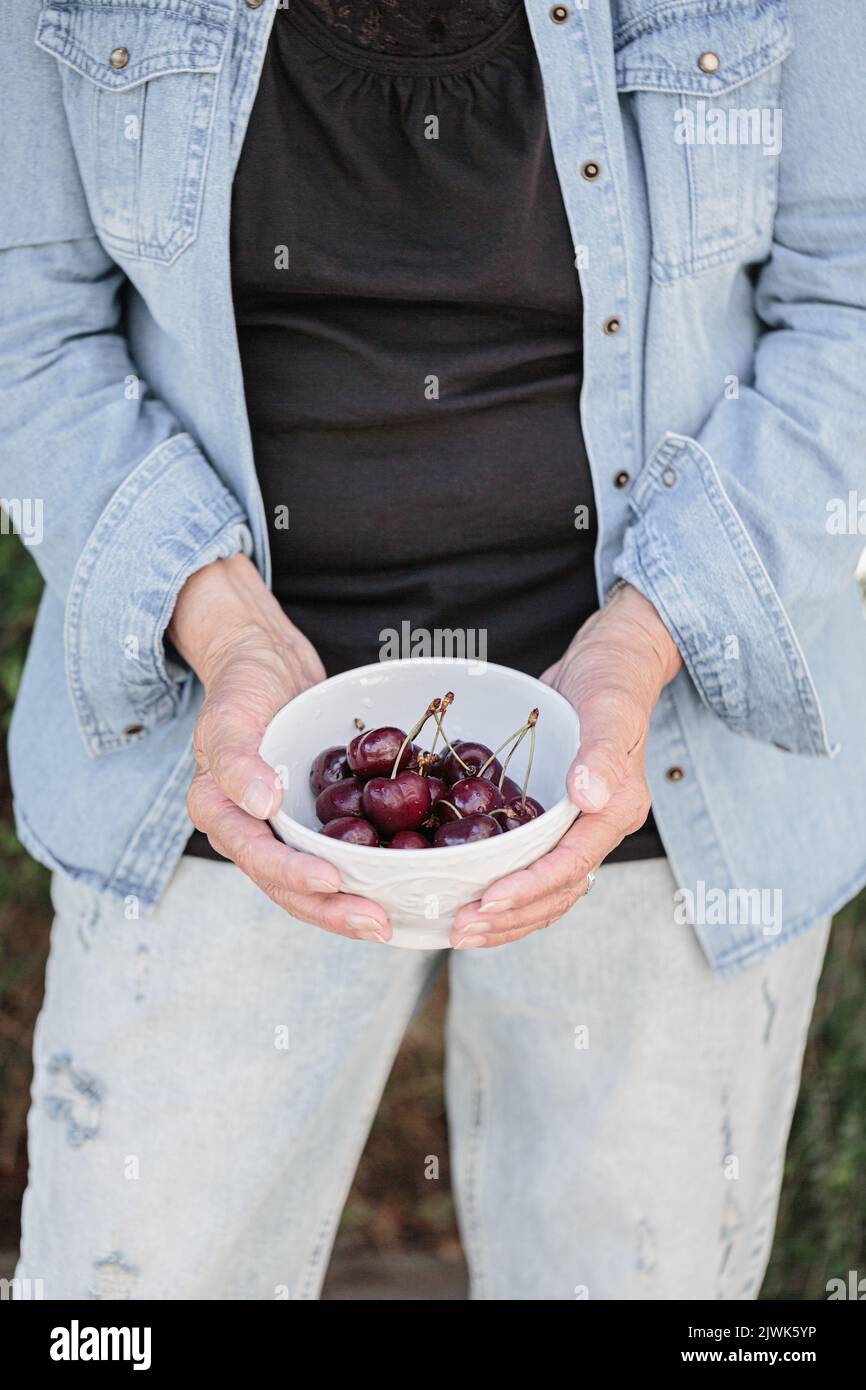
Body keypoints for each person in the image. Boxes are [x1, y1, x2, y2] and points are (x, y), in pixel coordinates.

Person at [2, 0, 865, 1300]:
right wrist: (225, 629)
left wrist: (639, 646)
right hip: (221, 757)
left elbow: (849, 309)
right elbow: (25, 331)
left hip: (662, 754)